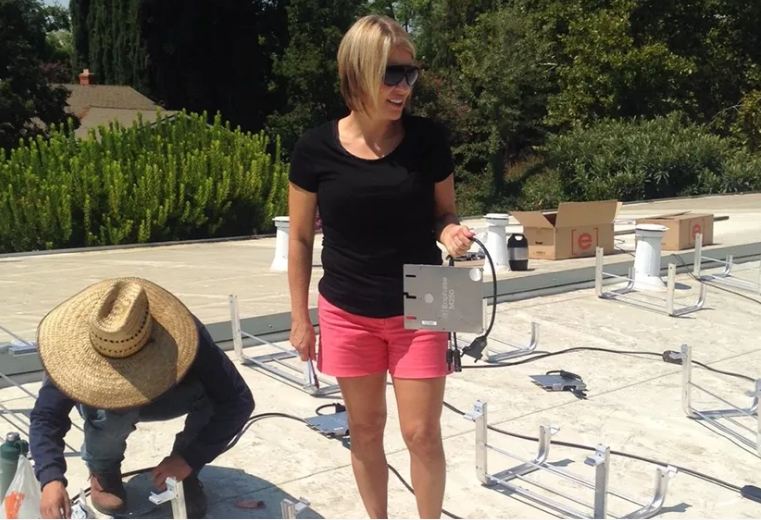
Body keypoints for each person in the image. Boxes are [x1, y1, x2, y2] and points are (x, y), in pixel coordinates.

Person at [287, 14, 474, 519]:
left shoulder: (428, 138)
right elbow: (300, 238)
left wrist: (450, 233)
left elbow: (445, 213)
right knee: (366, 429)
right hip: (347, 305)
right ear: (358, 72)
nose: (403, 87)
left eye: (410, 74)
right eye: (392, 74)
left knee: (422, 432)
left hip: (428, 293)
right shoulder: (313, 148)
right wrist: (301, 317)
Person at [29, 277, 255, 519]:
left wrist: (189, 458)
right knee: (108, 411)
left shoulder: (186, 332)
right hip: (108, 407)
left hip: (168, 395)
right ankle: (103, 470)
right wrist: (50, 478)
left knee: (215, 394)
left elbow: (238, 400)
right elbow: (46, 417)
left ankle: (182, 474)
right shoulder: (69, 349)